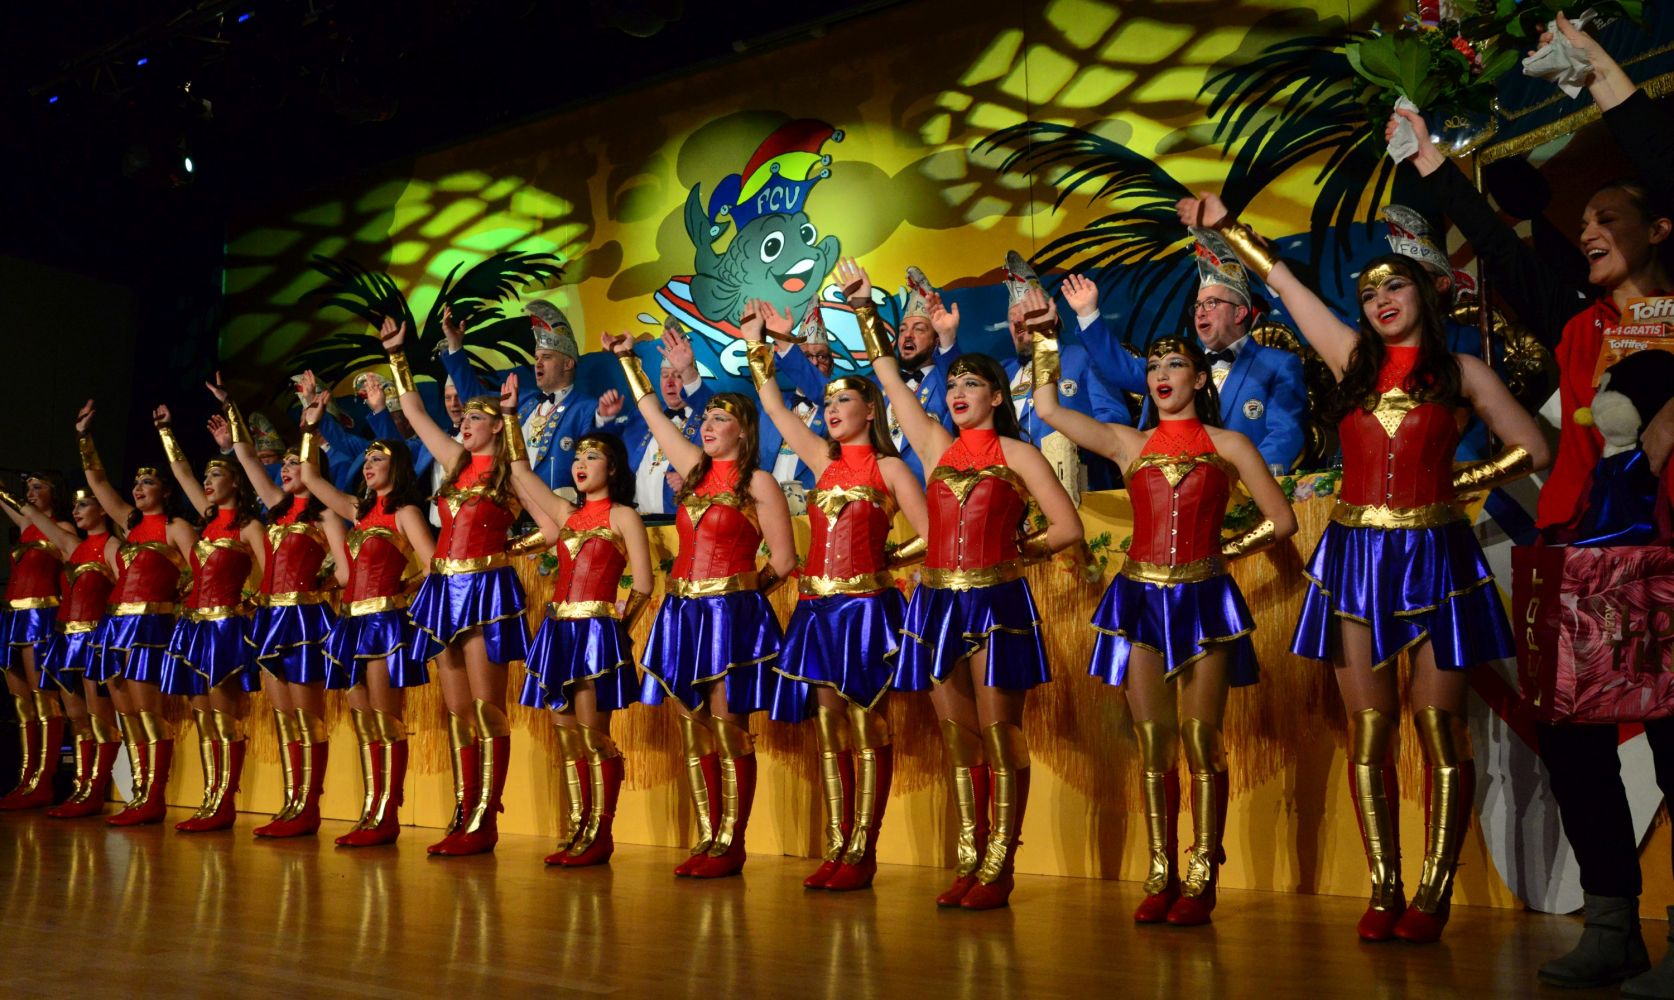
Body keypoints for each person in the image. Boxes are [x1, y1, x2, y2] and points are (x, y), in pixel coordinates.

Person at [1178, 192, 1548, 942]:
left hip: (1437, 555)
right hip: (1355, 557)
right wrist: (1228, 230)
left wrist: (1461, 480)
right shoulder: (1352, 359)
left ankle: (1434, 891)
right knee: (1370, 729)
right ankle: (1385, 886)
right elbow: (1287, 286)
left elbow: (1534, 449)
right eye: (1370, 291)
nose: (1381, 300)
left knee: (1439, 727)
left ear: (1425, 292)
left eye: (1395, 285)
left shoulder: (1461, 370)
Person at [1393, 14, 1674, 987]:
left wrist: (1601, 76)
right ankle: (1613, 922)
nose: (1587, 230)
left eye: (1608, 217)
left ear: (1660, 229)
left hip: (1666, 557)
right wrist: (1431, 169)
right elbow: (1504, 256)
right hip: (1582, 557)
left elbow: (1662, 165)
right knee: (1573, 744)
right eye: (1582, 219)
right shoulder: (1578, 321)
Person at [1033, 313, 1296, 925]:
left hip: (1204, 600)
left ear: (1200, 378)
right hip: (1140, 599)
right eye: (1153, 365)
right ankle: (1161, 870)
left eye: (1175, 363)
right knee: (1153, 743)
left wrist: (1222, 552)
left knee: (1202, 739)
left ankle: (1202, 871)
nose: (1161, 373)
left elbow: (1282, 521)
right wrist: (1046, 338)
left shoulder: (1230, 445)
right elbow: (1047, 410)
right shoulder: (1128, 442)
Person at [849, 256, 1084, 910]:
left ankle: (1000, 861)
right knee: (959, 737)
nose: (957, 390)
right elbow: (889, 379)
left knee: (999, 732)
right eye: (953, 382)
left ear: (997, 397)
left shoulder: (1019, 454)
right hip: (936, 601)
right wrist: (865, 310)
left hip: (995, 600)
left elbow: (1067, 527)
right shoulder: (933, 446)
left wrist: (1014, 553)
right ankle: (969, 857)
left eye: (972, 382)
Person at [740, 297, 931, 891]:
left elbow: (931, 534)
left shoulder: (889, 469)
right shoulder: (821, 461)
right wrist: (756, 345)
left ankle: (863, 848)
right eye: (826, 402)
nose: (830, 409)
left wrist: (887, 562)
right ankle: (836, 844)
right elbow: (774, 406)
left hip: (867, 610)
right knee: (829, 730)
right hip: (819, 609)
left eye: (842, 400)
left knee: (867, 727)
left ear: (870, 410)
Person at [603, 328, 798, 879]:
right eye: (705, 418)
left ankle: (731, 841)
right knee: (693, 728)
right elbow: (654, 416)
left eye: (718, 419)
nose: (707, 426)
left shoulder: (759, 482)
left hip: (729, 616)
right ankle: (707, 835)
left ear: (743, 430)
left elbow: (785, 561)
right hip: (683, 612)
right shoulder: (693, 470)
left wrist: (741, 598)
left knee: (728, 727)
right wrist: (628, 360)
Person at [381, 316, 530, 857]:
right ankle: (464, 809)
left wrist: (508, 551)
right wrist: (397, 355)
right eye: (464, 418)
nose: (465, 424)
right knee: (459, 712)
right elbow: (416, 413)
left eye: (475, 418)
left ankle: (486, 817)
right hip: (445, 590)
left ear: (496, 427)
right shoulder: (454, 462)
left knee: (487, 710)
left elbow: (551, 523)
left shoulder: (509, 473)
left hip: (485, 589)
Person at [209, 374, 350, 839]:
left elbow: (345, 572)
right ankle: (292, 803)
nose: (286, 470)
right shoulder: (274, 509)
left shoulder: (324, 514)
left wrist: (318, 582)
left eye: (294, 464)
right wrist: (230, 407)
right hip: (271, 618)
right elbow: (248, 460)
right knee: (284, 718)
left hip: (304, 618)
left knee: (307, 718)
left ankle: (309, 806)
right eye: (284, 465)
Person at [509, 431, 653, 867]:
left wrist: (616, 633)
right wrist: (511, 418)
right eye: (577, 457)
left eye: (592, 456)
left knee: (593, 737)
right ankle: (577, 827)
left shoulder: (624, 516)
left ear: (614, 467)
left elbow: (643, 586)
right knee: (567, 738)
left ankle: (599, 832)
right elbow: (520, 472)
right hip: (558, 630)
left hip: (595, 634)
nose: (580, 463)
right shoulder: (565, 514)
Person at [1067, 231, 1308, 474]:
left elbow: (1285, 434)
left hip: (1243, 488)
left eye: (1212, 303)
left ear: (1239, 313)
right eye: (1198, 305)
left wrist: (1247, 480)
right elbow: (1119, 367)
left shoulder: (1277, 364)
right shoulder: (1176, 365)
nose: (1201, 312)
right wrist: (1087, 313)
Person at [303, 420, 435, 847]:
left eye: (377, 458)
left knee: (385, 719)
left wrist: (404, 590)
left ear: (397, 466)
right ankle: (370, 809)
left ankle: (387, 813)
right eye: (366, 459)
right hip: (352, 622)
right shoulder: (359, 512)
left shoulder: (405, 513)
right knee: (363, 722)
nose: (368, 465)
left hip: (383, 623)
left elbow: (433, 564)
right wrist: (310, 429)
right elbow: (311, 478)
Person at [78, 400, 197, 826]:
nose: (138, 487)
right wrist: (84, 438)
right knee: (127, 715)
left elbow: (200, 573)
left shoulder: (175, 527)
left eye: (148, 481)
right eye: (136, 482)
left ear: (165, 490)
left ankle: (154, 797)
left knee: (148, 713)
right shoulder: (130, 525)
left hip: (149, 625)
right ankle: (138, 793)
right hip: (115, 624)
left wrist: (166, 432)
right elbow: (98, 482)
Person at [153, 404, 269, 833]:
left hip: (224, 627)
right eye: (207, 476)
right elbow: (182, 473)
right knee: (202, 716)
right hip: (194, 625)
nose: (206, 481)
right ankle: (209, 798)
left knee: (224, 716)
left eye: (216, 474)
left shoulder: (249, 526)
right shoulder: (207, 521)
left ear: (235, 481)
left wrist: (248, 603)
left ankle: (225, 801)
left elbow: (270, 575)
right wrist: (167, 432)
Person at [774, 266, 962, 481]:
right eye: (902, 330)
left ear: (936, 339)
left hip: (927, 488)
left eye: (919, 329)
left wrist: (947, 337)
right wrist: (784, 343)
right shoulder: (875, 385)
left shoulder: (945, 381)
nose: (908, 335)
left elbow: (957, 377)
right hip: (874, 488)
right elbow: (822, 390)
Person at [9, 486, 122, 817]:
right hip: (66, 638)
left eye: (84, 505)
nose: (76, 511)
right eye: (74, 506)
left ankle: (95, 789)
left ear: (104, 510)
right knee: (76, 717)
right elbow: (32, 517)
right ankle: (80, 787)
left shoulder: (112, 546)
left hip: (94, 638)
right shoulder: (74, 546)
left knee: (100, 718)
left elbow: (124, 591)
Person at [439, 301, 613, 492]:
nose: (538, 363)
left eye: (547, 357)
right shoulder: (520, 400)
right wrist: (455, 346)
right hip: (510, 500)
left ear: (568, 364)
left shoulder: (586, 408)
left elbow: (602, 451)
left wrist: (604, 418)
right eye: (536, 358)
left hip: (555, 504)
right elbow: (476, 399)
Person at [0, 473, 72, 810]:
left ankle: (44, 780)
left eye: (38, 487)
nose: (30, 493)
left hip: (41, 615)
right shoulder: (27, 527)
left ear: (54, 494)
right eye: (28, 488)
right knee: (21, 703)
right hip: (12, 615)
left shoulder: (63, 529)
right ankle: (25, 778)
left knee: (44, 699)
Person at [602, 324, 711, 515]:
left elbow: (725, 467)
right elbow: (605, 448)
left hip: (679, 522)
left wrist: (696, 482)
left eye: (677, 376)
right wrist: (605, 418)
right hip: (636, 521)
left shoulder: (708, 417)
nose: (669, 383)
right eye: (664, 376)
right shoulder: (641, 416)